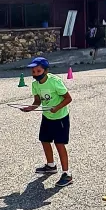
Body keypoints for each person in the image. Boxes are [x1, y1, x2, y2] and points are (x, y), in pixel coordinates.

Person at [23, 57, 73, 187]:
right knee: (44, 140)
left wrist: (57, 108)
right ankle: (51, 166)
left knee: (59, 145)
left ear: (45, 70)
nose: (35, 74)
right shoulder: (35, 85)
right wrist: (30, 108)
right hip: (47, 117)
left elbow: (68, 99)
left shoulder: (54, 81)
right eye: (33, 72)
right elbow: (37, 102)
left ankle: (67, 174)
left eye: (38, 71)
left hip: (60, 117)